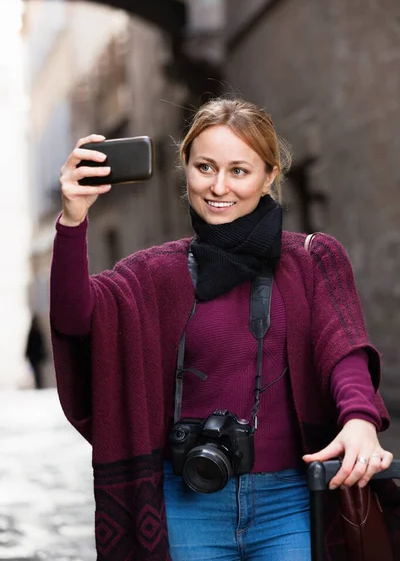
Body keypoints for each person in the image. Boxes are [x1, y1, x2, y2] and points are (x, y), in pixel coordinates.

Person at [50, 98, 397, 561]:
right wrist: (73, 219)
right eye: (205, 167)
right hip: (187, 501)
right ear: (186, 169)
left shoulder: (314, 260)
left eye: (239, 171)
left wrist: (359, 418)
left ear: (269, 175)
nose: (218, 186)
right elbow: (76, 318)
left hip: (290, 501)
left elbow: (343, 348)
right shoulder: (154, 273)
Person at [25, 314, 45, 389]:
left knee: (37, 371)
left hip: (34, 356)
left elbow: (40, 345)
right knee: (37, 371)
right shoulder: (36, 333)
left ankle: (39, 385)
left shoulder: (34, 333)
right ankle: (38, 385)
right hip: (35, 356)